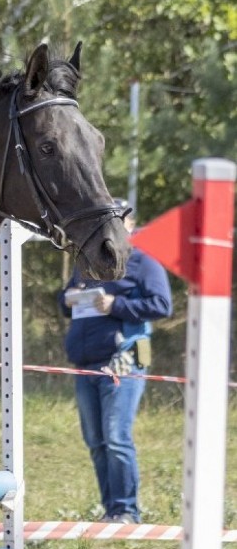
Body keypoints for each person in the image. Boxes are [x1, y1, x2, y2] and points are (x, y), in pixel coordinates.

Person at [60, 199, 172, 523]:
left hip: (122, 363)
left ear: (130, 226)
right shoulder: (87, 262)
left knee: (117, 438)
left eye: (118, 221)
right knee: (96, 442)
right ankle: (111, 511)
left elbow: (162, 304)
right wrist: (66, 300)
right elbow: (66, 303)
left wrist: (115, 305)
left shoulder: (143, 262)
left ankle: (126, 511)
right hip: (85, 364)